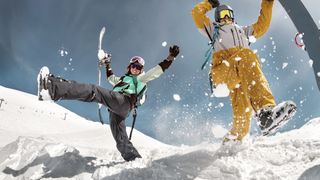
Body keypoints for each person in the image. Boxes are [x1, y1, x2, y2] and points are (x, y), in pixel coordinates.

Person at [37, 45, 180, 161]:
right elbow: (111, 78)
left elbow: (157, 70)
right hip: (116, 110)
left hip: (124, 102)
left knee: (94, 91)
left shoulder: (142, 79)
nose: (135, 68)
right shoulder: (123, 79)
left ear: (141, 69)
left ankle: (51, 88)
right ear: (129, 67)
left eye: (138, 67)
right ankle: (134, 159)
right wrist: (107, 64)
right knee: (120, 139)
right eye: (133, 66)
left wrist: (170, 57)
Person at [191, 0, 297, 143]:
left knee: (243, 112)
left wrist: (267, 3)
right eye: (222, 14)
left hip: (240, 74)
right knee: (247, 55)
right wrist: (209, 3)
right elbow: (196, 13)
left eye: (228, 14)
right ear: (217, 18)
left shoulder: (243, 31)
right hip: (223, 71)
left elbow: (262, 25)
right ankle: (265, 112)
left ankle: (232, 141)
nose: (226, 17)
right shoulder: (213, 29)